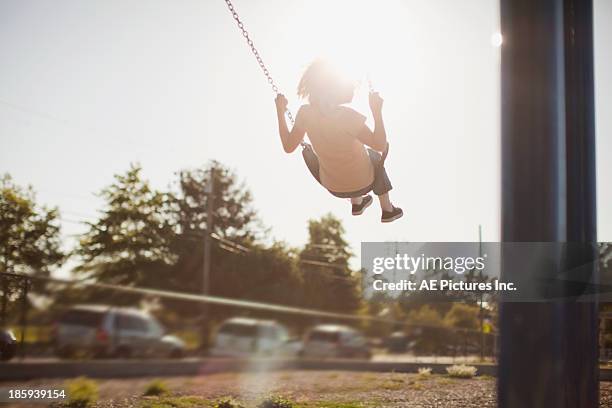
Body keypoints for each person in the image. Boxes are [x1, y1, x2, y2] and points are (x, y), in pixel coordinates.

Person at [274, 59, 403, 223]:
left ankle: (357, 203)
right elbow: (380, 145)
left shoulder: (305, 114)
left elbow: (288, 147)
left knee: (311, 152)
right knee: (374, 155)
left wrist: (280, 111)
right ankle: (387, 209)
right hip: (364, 182)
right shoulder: (348, 116)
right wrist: (377, 112)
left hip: (333, 187)